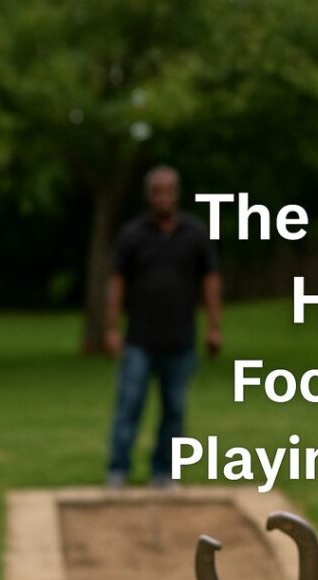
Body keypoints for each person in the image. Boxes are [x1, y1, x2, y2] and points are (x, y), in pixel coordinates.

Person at [105, 165, 222, 488]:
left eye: (168, 191)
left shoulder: (194, 234)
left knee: (174, 411)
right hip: (139, 340)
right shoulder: (133, 235)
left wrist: (214, 327)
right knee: (128, 407)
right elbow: (117, 281)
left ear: (176, 193)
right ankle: (118, 469)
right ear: (149, 195)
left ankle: (164, 472)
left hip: (180, 340)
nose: (163, 197)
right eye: (157, 191)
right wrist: (112, 327)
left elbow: (210, 280)